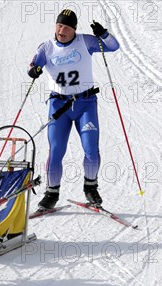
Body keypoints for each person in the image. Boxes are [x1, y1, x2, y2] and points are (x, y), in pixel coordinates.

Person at [27, 9, 120, 210]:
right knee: (56, 151)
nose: (62, 30)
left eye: (67, 27)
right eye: (59, 25)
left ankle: (90, 187)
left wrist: (103, 34)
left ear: (74, 30)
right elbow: (33, 66)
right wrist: (34, 71)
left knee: (91, 150)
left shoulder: (86, 41)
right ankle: (51, 193)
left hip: (85, 104)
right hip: (59, 105)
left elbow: (114, 46)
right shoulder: (46, 47)